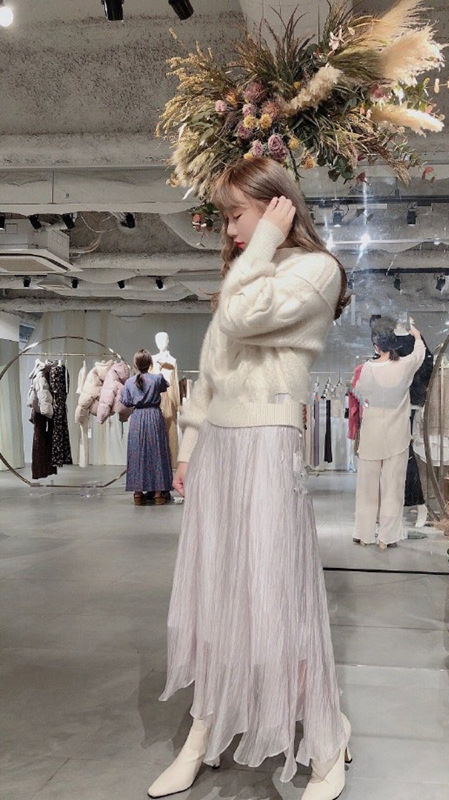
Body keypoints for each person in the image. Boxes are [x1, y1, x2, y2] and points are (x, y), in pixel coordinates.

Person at [148, 157, 352, 800]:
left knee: (279, 598)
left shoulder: (316, 271)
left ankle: (327, 739)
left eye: (236, 214)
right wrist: (189, 448)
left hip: (268, 443)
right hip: (221, 450)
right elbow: (213, 368)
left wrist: (262, 241)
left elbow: (239, 319)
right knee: (217, 595)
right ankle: (202, 734)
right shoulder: (248, 273)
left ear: (275, 206)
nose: (230, 230)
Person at [352, 322, 425, 548]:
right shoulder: (405, 365)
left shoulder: (367, 368)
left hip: (372, 433)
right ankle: (387, 536)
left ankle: (364, 533)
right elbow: (419, 354)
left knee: (367, 487)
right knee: (393, 487)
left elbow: (361, 392)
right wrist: (416, 335)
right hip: (397, 434)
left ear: (376, 346)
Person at [120, 349, 173, 506]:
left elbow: (126, 401)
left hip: (137, 418)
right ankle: (158, 494)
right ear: (150, 363)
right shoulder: (157, 378)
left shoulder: (129, 382)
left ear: (135, 364)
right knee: (157, 453)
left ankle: (138, 494)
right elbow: (165, 386)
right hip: (154, 416)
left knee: (137, 454)